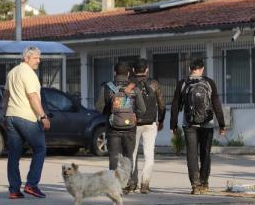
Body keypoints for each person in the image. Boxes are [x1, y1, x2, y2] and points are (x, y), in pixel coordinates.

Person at [170, 58, 225, 194]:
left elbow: (175, 104)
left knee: (192, 154)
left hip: (189, 124)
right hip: (207, 123)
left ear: (190, 69)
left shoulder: (183, 83)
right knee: (205, 153)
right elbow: (216, 103)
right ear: (202, 69)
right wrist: (222, 124)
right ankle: (204, 183)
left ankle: (195, 185)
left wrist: (173, 124)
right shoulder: (209, 82)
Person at [2, 46, 51, 199]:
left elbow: (6, 96)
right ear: (26, 58)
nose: (39, 60)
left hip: (11, 116)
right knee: (40, 148)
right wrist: (43, 116)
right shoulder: (28, 73)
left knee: (14, 154)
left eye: (39, 57)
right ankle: (32, 184)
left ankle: (14, 190)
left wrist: (4, 114)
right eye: (36, 57)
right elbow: (32, 97)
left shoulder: (12, 72)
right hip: (26, 116)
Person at [96, 61, 144, 194]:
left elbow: (99, 108)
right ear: (128, 73)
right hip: (130, 129)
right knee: (129, 156)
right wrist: (135, 115)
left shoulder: (107, 87)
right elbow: (142, 109)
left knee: (113, 157)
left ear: (114, 73)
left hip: (112, 128)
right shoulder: (134, 88)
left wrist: (110, 112)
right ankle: (129, 183)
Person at [129, 58, 166, 194]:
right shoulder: (154, 84)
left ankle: (132, 183)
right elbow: (161, 104)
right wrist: (161, 120)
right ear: (147, 70)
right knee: (149, 154)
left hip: (133, 123)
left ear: (133, 70)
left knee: (132, 154)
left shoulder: (129, 84)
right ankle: (145, 184)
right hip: (150, 123)